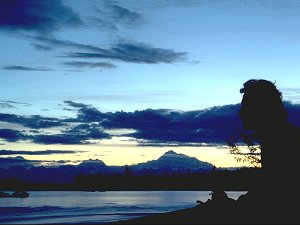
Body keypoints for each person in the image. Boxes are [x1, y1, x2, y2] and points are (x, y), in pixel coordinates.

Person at [238, 79, 300, 223]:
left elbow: (277, 197)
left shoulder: (282, 141)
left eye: (246, 106)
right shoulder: (281, 136)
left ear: (261, 109)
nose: (241, 113)